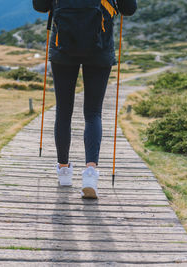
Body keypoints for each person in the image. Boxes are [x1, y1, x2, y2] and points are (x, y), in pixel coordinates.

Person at [33, 0, 137, 199]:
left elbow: (40, 6)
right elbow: (129, 9)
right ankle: (90, 173)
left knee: (63, 112)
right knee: (93, 113)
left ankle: (64, 170)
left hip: (62, 47)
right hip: (100, 48)